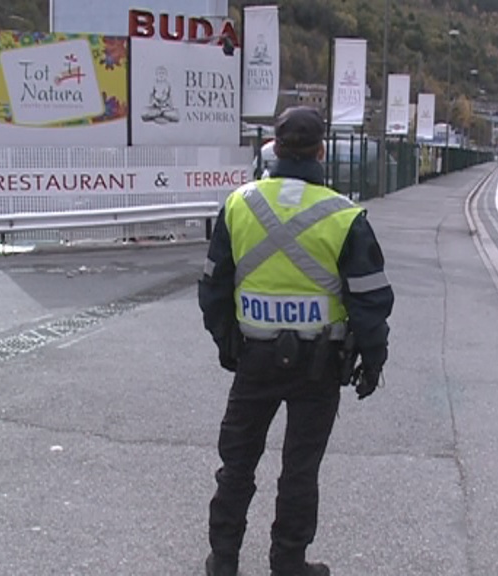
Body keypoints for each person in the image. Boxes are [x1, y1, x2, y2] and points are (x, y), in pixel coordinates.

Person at [198, 106, 394, 576]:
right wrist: (374, 359)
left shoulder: (238, 204)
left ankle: (223, 560)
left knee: (237, 463)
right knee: (300, 469)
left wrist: (228, 344)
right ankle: (288, 562)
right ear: (322, 150)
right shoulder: (345, 216)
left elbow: (213, 287)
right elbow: (370, 300)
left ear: (275, 147)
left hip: (255, 356)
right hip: (320, 363)